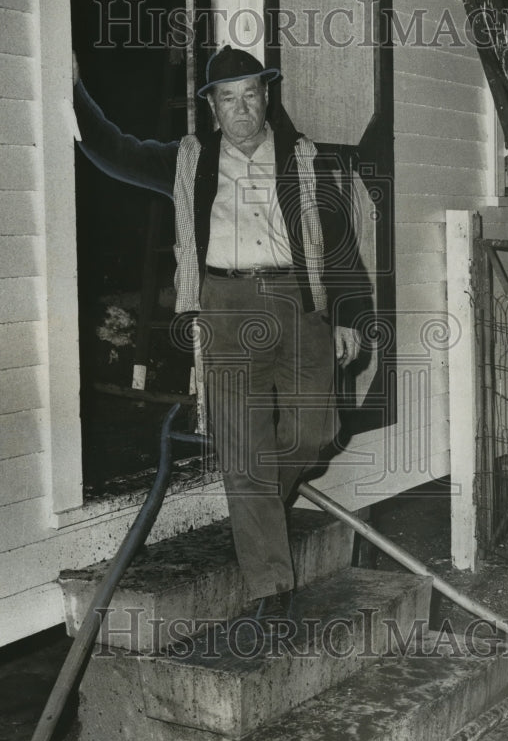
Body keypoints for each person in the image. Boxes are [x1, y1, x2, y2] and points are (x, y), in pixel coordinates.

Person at [73, 45, 372, 618]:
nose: (242, 109)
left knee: (317, 431)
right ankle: (271, 589)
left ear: (267, 97)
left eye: (251, 95)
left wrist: (351, 320)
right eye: (228, 99)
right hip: (226, 306)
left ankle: (256, 504)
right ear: (213, 107)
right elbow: (109, 150)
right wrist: (77, 89)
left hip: (299, 303)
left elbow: (340, 245)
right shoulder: (188, 161)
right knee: (243, 452)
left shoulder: (306, 160)